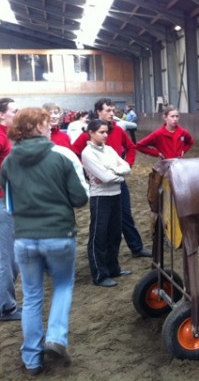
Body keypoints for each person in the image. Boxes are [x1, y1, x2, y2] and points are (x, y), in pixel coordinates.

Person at [1, 107, 88, 375]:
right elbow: (79, 199)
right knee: (62, 285)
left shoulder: (8, 163)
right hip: (59, 234)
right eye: (45, 122)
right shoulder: (60, 158)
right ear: (36, 128)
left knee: (32, 295)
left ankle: (32, 358)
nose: (50, 125)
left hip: (25, 238)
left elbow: (9, 202)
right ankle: (56, 338)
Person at [72, 98, 151, 258]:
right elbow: (74, 152)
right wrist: (89, 170)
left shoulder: (119, 130)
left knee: (125, 215)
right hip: (102, 185)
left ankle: (136, 247)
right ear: (98, 111)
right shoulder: (88, 134)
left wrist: (127, 164)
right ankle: (105, 256)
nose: (111, 113)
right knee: (104, 222)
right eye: (108, 110)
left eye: (112, 110)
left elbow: (131, 147)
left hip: (118, 178)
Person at [81, 119, 133, 288]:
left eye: (106, 132)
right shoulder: (88, 153)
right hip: (100, 197)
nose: (105, 135)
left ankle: (113, 268)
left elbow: (126, 166)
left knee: (115, 233)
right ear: (91, 132)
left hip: (115, 194)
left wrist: (113, 172)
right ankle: (99, 274)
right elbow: (106, 177)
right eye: (101, 132)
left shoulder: (109, 149)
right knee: (99, 236)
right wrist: (117, 174)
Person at [0, 98, 20, 322]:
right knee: (6, 258)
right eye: (14, 111)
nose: (18, 113)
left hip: (9, 200)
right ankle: (6, 307)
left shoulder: (8, 136)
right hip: (3, 202)